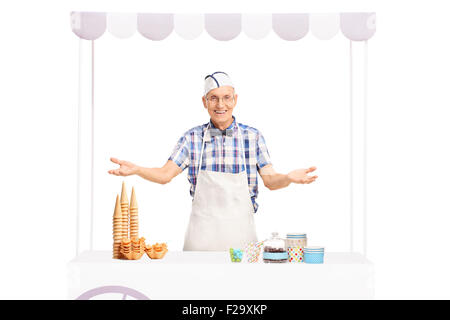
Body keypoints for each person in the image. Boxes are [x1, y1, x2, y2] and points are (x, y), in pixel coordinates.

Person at [108, 71, 318, 251]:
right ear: (204, 102)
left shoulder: (252, 137)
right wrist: (137, 169)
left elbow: (271, 180)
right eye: (213, 98)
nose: (221, 104)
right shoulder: (192, 138)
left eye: (226, 97)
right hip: (201, 241)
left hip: (242, 242)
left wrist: (288, 178)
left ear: (235, 99)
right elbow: (164, 175)